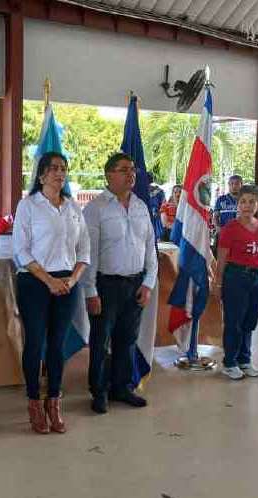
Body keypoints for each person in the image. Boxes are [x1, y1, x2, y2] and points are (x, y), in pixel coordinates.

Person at [13, 152, 89, 434]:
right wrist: (48, 281)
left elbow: (84, 250)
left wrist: (72, 279)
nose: (60, 173)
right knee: (35, 343)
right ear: (42, 175)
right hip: (34, 282)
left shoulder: (72, 208)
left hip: (67, 283)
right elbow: (21, 251)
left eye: (64, 169)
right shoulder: (28, 206)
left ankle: (54, 402)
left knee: (57, 345)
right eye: (54, 169)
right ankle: (34, 402)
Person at [82, 152, 158, 414]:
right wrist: (90, 290)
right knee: (101, 341)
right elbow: (88, 253)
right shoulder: (95, 208)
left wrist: (148, 283)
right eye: (124, 170)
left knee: (127, 339)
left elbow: (150, 248)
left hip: (135, 283)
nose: (131, 174)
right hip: (106, 285)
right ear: (109, 175)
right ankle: (99, 391)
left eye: (132, 169)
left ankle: (121, 387)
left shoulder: (141, 206)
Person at [214, 185, 258, 380]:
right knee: (234, 321)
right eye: (243, 201)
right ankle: (230, 362)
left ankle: (245, 360)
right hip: (236, 278)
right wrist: (217, 283)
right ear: (238, 204)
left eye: (252, 201)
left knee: (250, 321)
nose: (247, 206)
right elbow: (222, 258)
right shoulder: (230, 229)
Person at [213, 175, 243, 247]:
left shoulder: (246, 200)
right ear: (228, 185)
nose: (234, 186)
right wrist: (217, 227)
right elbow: (215, 216)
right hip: (224, 234)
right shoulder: (221, 199)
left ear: (241, 185)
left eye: (236, 184)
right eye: (231, 184)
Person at [148, 173, 165, 242]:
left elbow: (163, 203)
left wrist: (159, 211)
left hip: (156, 214)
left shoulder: (159, 191)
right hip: (149, 213)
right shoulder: (142, 190)